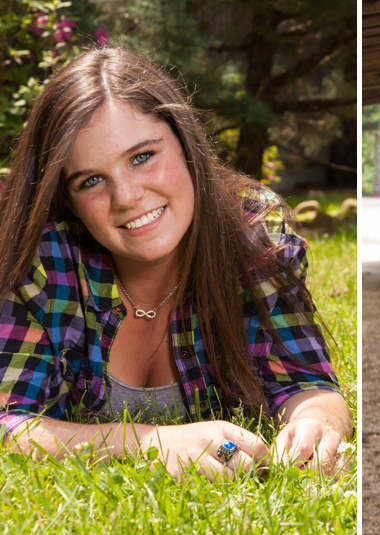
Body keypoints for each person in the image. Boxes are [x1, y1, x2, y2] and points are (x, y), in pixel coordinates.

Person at [0, 47, 352, 481]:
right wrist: (148, 443)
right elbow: (9, 424)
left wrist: (316, 424)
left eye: (142, 156)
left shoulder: (254, 237)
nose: (127, 196)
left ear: (185, 143)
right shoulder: (42, 261)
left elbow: (306, 382)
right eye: (91, 180)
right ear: (69, 201)